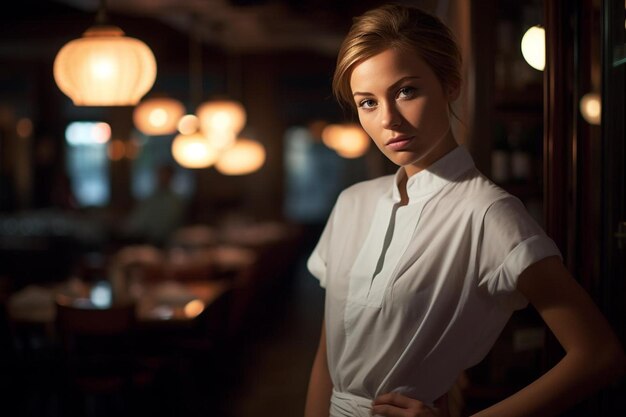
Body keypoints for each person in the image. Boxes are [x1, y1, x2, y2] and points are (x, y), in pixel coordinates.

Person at [303, 4, 624, 417]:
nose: (389, 120)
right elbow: (329, 356)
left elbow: (599, 355)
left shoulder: (489, 213)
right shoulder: (353, 202)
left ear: (450, 85)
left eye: (406, 91)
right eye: (367, 102)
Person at [122, 164, 187, 247]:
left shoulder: (176, 201)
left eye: (165, 175)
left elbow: (165, 226)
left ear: (171, 177)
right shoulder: (150, 198)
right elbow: (138, 218)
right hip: (141, 238)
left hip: (162, 242)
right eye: (160, 175)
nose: (161, 178)